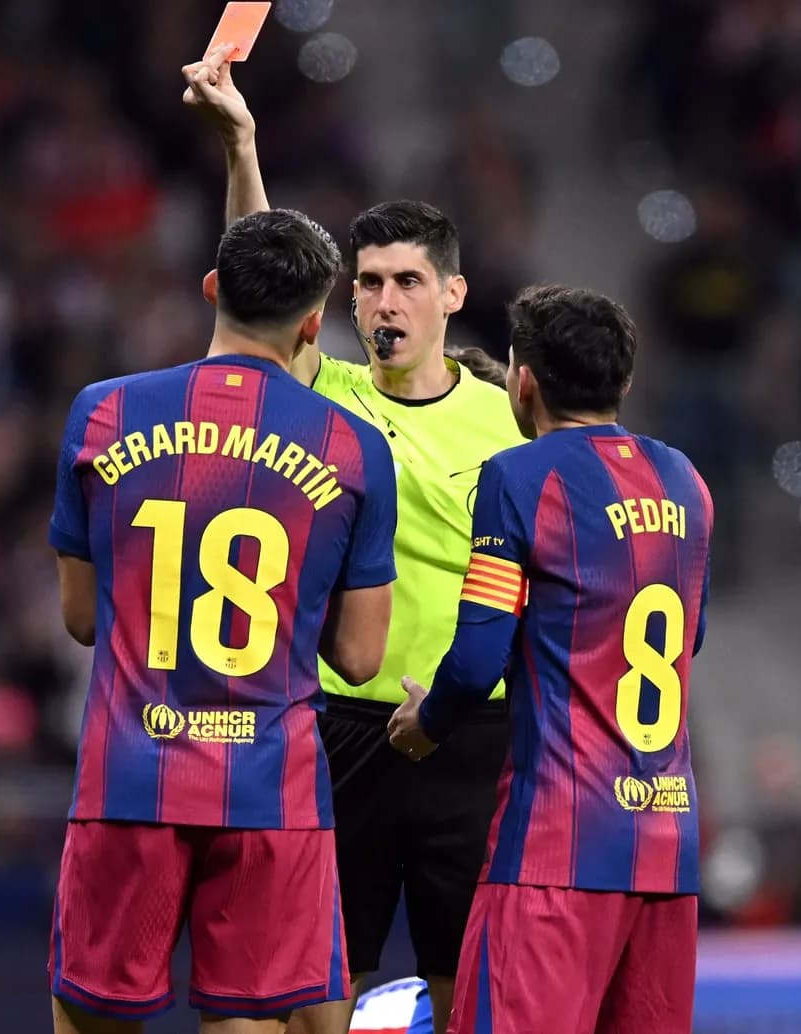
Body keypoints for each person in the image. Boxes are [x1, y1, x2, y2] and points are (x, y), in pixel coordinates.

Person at [184, 46, 526, 1034]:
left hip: (473, 729)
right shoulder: (319, 395)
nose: (384, 302)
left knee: (470, 988)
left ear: (452, 294)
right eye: (368, 283)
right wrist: (241, 142)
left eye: (407, 281)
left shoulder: (510, 415)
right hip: (345, 726)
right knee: (316, 986)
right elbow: (255, 270)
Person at [47, 209, 398, 1034]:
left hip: (130, 778)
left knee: (91, 1019)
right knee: (247, 1021)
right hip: (270, 789)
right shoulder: (352, 447)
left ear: (212, 290)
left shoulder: (103, 413)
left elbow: (79, 620)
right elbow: (359, 655)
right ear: (315, 323)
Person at [389, 284, 714, 1034]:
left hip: (556, 848)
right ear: (624, 381)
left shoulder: (520, 477)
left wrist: (425, 724)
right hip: (668, 848)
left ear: (522, 379)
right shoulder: (687, 485)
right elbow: (688, 638)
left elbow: (476, 661)